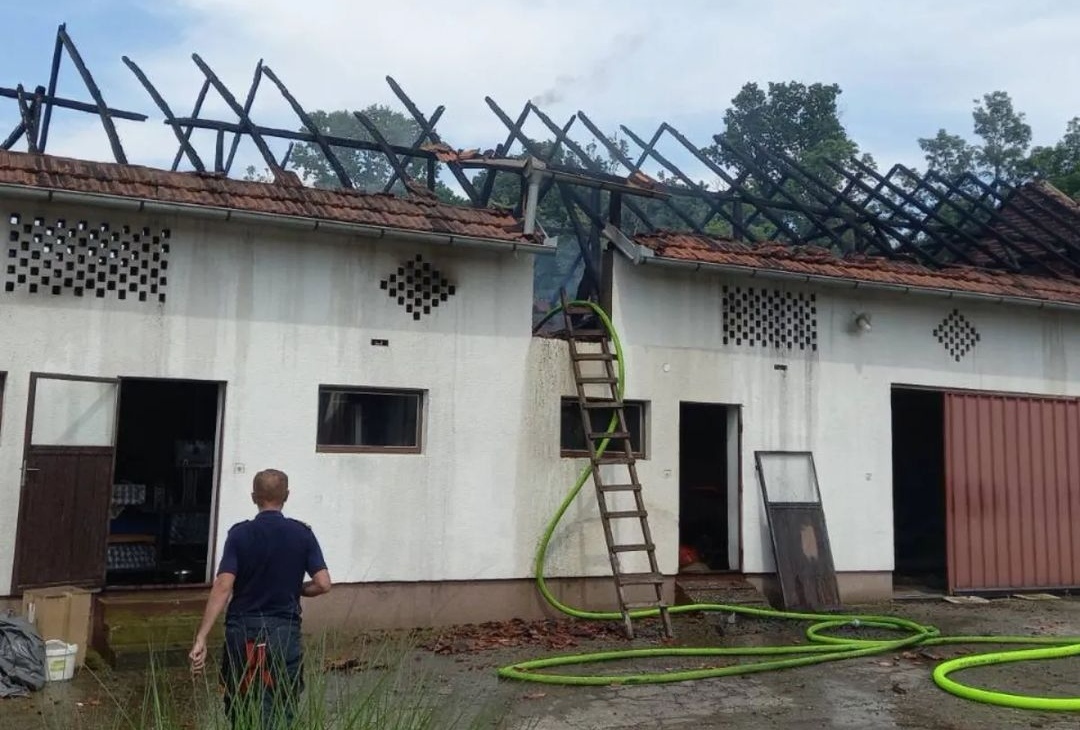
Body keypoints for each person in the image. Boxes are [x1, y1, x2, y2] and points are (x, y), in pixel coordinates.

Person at [189, 468, 332, 728]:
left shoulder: (239, 534)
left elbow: (223, 586)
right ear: (286, 496)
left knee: (240, 702)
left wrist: (202, 636)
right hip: (283, 632)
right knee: (281, 703)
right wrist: (297, 589)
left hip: (243, 630)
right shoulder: (303, 534)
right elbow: (323, 584)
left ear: (254, 496)